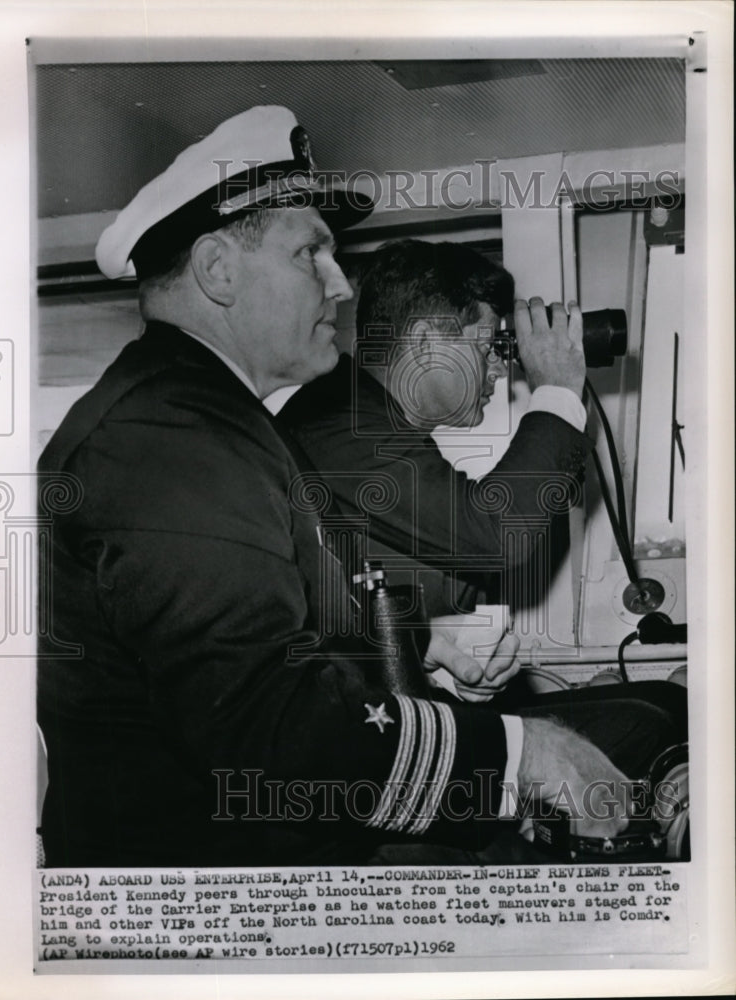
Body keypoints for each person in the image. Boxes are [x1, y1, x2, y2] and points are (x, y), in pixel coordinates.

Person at [37, 106, 670, 869]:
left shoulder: (216, 421)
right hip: (218, 894)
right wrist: (519, 754)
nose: (340, 287)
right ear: (217, 269)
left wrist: (421, 642)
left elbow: (279, 632)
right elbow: (271, 726)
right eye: (311, 254)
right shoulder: (167, 442)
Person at [279, 239, 687, 730]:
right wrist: (556, 390)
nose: (501, 366)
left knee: (661, 705)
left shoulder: (378, 427)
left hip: (408, 703)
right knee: (653, 722)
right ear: (427, 341)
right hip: (355, 728)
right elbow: (494, 532)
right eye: (487, 346)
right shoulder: (337, 420)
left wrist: (451, 671)